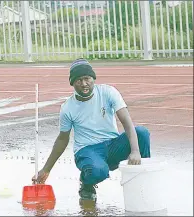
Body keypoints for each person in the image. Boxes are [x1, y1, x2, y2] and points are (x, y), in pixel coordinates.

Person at [32, 58, 151, 202]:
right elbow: (63, 139)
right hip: (88, 150)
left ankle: (141, 177)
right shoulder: (67, 108)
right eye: (78, 80)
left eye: (87, 79)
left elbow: (126, 122)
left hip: (112, 145)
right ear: (72, 83)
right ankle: (86, 184)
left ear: (93, 78)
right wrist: (46, 169)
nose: (84, 84)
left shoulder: (108, 92)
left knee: (142, 134)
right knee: (98, 171)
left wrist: (135, 151)